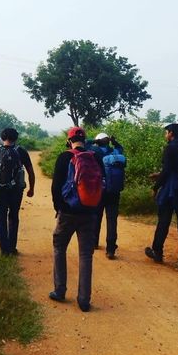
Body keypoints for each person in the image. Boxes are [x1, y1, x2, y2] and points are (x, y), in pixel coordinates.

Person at [50, 126, 104, 312]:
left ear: (69, 141)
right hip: (89, 212)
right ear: (85, 140)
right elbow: (102, 185)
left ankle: (60, 290)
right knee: (86, 255)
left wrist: (59, 207)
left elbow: (56, 187)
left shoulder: (64, 157)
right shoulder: (95, 157)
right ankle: (84, 299)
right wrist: (94, 207)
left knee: (59, 248)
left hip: (68, 212)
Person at [145, 123, 178, 273]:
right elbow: (176, 169)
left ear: (171, 133)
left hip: (170, 191)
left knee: (163, 222)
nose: (165, 135)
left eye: (166, 132)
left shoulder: (169, 148)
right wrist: (159, 174)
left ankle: (157, 252)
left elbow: (167, 171)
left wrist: (155, 187)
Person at [0, 127, 35, 256]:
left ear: (3, 138)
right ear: (16, 138)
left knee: (1, 218)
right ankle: (12, 248)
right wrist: (31, 188)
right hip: (16, 190)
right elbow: (31, 172)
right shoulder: (21, 151)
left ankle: (4, 250)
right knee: (14, 217)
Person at [88, 132, 126, 259]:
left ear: (98, 142)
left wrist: (93, 141)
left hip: (99, 189)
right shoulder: (115, 152)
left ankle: (94, 242)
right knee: (112, 219)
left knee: (96, 216)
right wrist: (114, 142)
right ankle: (110, 249)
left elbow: (84, 144)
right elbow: (121, 148)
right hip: (114, 191)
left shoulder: (93, 152)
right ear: (108, 141)